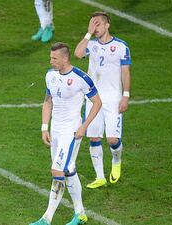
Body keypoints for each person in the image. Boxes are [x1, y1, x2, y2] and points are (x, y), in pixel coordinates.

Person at [30, 42, 102, 225]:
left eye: (54, 58)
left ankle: (46, 219)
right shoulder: (50, 75)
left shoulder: (80, 78)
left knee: (57, 170)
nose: (51, 61)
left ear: (64, 58)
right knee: (69, 169)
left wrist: (84, 126)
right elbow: (47, 101)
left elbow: (97, 102)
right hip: (55, 130)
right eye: (50, 57)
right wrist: (44, 127)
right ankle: (80, 214)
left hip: (71, 131)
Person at [74, 12, 132, 189]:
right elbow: (77, 54)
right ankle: (100, 177)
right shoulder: (91, 45)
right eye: (92, 24)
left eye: (97, 24)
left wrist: (126, 95)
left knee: (113, 140)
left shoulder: (121, 46)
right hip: (94, 99)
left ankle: (116, 160)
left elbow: (125, 72)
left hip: (113, 99)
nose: (95, 27)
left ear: (107, 25)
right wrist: (88, 33)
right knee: (93, 136)